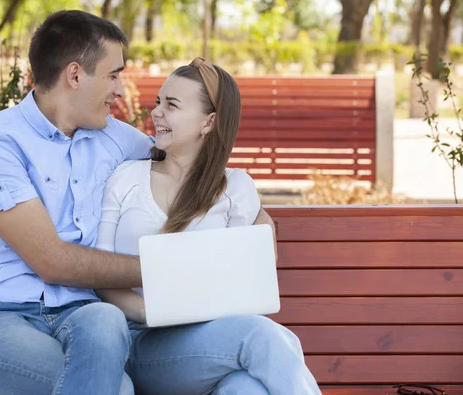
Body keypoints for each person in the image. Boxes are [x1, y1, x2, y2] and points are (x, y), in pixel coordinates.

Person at [0, 9, 277, 395]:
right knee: (115, 387)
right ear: (74, 75)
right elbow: (52, 261)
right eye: (113, 74)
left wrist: (256, 223)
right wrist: (179, 268)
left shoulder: (120, 142)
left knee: (108, 325)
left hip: (88, 321)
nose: (121, 89)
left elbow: (201, 172)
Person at [95, 58, 322, 395]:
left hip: (211, 343)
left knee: (246, 389)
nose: (156, 112)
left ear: (209, 122)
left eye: (171, 105)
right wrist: (154, 311)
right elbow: (100, 274)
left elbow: (249, 280)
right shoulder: (127, 178)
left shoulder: (236, 187)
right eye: (158, 101)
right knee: (261, 336)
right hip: (138, 342)